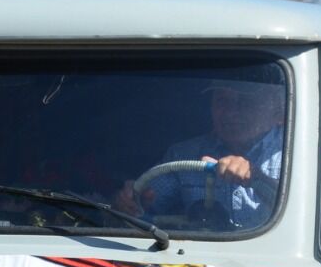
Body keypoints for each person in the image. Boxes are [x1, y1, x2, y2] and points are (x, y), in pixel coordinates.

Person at [116, 78, 285, 228]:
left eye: (246, 102)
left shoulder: (297, 152)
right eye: (222, 101)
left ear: (278, 113)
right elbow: (141, 208)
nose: (231, 112)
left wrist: (257, 179)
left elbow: (304, 215)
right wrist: (132, 200)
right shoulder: (184, 154)